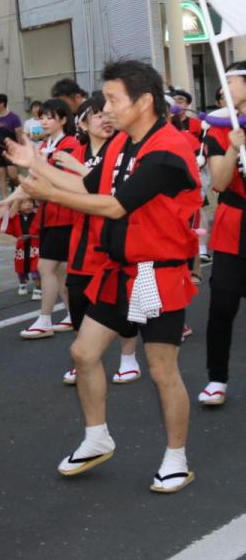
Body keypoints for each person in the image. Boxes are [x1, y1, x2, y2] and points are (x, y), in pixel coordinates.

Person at [14, 60, 200, 493]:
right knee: (83, 353)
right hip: (120, 272)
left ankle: (176, 457)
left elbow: (117, 206)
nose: (107, 108)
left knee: (161, 369)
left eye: (115, 99)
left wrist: (49, 191)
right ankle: (96, 437)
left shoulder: (168, 149)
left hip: (155, 273)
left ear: (145, 101)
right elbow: (91, 187)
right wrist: (36, 165)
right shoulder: (121, 145)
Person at [49, 96, 142, 387]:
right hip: (81, 239)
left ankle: (129, 358)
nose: (104, 119)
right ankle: (84, 357)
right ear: (84, 123)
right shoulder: (75, 151)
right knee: (77, 298)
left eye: (106, 114)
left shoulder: (124, 150)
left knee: (121, 302)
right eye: (96, 114)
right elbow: (57, 185)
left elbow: (111, 190)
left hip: (114, 236)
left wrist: (78, 172)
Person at [198, 61, 246, 406]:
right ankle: (217, 379)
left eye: (230, 80)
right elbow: (218, 182)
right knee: (222, 305)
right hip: (235, 221)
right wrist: (233, 146)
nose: (224, 86)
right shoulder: (218, 129)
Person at [19, 99, 81, 339]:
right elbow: (35, 177)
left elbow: (55, 178)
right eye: (42, 117)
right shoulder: (47, 144)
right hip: (50, 212)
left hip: (64, 212)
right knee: (62, 270)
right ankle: (71, 314)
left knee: (47, 267)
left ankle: (45, 318)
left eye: (49, 117)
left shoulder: (69, 144)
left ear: (64, 119)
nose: (44, 121)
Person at [0, 93, 23, 198]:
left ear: (2, 104)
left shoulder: (14, 118)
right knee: (0, 174)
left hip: (11, 150)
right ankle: (5, 198)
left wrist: (20, 151)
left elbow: (19, 135)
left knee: (13, 175)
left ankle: (23, 188)